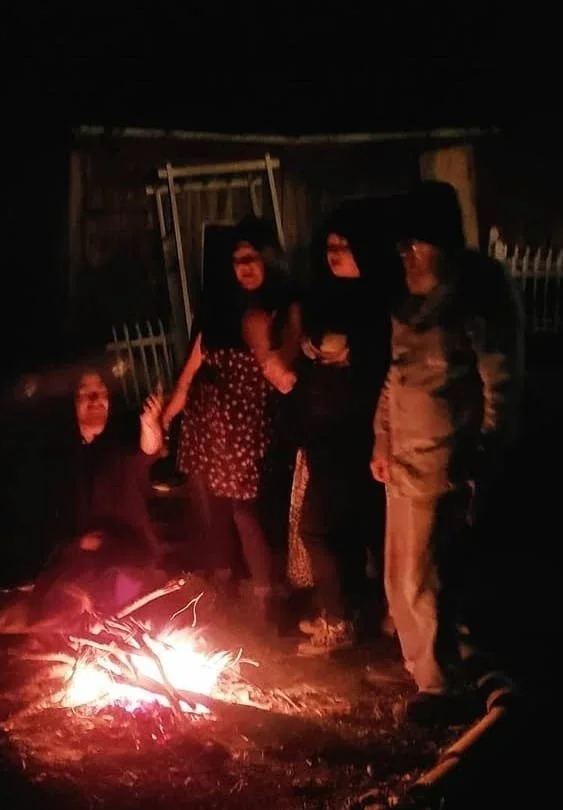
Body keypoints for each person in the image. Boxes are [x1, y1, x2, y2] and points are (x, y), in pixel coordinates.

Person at [371, 181, 523, 724]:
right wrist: (382, 437)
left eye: (416, 245)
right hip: (403, 460)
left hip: (444, 463)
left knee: (426, 581)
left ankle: (441, 688)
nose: (405, 255)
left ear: (444, 246)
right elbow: (396, 379)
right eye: (402, 246)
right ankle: (423, 671)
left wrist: (483, 455)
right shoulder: (412, 307)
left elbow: (499, 386)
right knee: (397, 578)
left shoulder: (476, 302)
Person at [162, 215, 296, 628]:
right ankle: (220, 587)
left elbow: (287, 375)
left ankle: (264, 595)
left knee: (244, 510)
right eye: (238, 260)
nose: (246, 268)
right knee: (210, 508)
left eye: (253, 258)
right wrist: (167, 417)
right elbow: (190, 372)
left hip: (247, 425)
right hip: (208, 424)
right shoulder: (219, 311)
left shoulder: (281, 307)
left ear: (269, 260)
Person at [0, 364, 165, 632]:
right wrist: (78, 543)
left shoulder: (120, 444)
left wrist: (151, 426)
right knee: (62, 607)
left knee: (124, 603)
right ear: (71, 404)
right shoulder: (57, 458)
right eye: (86, 393)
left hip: (127, 564)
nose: (96, 400)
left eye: (102, 392)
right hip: (77, 568)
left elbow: (146, 449)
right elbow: (43, 521)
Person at [291, 208, 396, 654]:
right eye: (330, 247)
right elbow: (311, 344)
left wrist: (353, 350)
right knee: (335, 528)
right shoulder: (324, 295)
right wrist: (311, 346)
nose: (335, 255)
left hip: (364, 430)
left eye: (344, 246)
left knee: (334, 526)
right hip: (325, 428)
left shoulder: (384, 300)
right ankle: (345, 613)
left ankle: (348, 617)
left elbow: (390, 360)